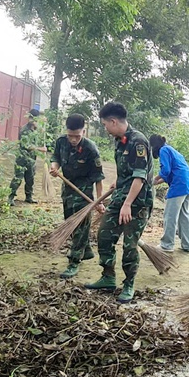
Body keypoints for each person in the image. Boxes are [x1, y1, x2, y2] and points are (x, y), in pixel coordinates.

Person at [85, 102, 153, 303]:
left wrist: (127, 204)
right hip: (121, 195)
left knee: (130, 245)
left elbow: (140, 177)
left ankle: (129, 283)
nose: (105, 129)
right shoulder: (119, 140)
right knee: (104, 235)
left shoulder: (138, 142)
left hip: (138, 202)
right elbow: (128, 171)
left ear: (114, 121)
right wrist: (119, 182)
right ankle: (108, 277)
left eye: (105, 124)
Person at [50, 114, 105, 279]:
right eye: (70, 135)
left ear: (84, 131)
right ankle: (86, 250)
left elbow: (98, 178)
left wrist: (98, 201)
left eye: (77, 136)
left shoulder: (91, 149)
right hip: (67, 190)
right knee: (70, 223)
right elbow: (56, 157)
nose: (73, 139)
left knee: (80, 226)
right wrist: (54, 167)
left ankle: (74, 261)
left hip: (84, 192)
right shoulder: (61, 141)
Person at [149, 135, 189, 253]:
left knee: (170, 215)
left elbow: (165, 171)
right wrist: (155, 182)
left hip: (179, 185)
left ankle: (167, 245)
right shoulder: (171, 150)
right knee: (184, 215)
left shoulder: (163, 150)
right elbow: (169, 173)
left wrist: (153, 178)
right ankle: (187, 245)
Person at [8, 108, 47, 206]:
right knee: (18, 178)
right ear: (29, 118)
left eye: (36, 120)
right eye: (33, 119)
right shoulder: (25, 130)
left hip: (32, 159)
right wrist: (40, 149)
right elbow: (27, 146)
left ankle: (29, 197)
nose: (34, 121)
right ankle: (11, 197)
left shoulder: (35, 130)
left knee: (30, 179)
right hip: (22, 158)